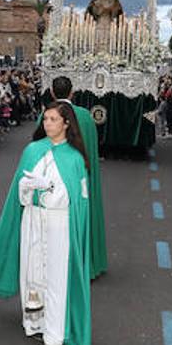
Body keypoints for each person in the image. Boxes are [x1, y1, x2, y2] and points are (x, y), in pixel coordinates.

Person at [0, 102, 92, 345]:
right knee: (32, 272)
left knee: (56, 278)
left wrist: (46, 191)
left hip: (59, 224)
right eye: (45, 119)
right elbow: (19, 192)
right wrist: (31, 189)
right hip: (32, 221)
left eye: (53, 119)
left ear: (66, 123)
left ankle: (53, 338)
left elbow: (76, 199)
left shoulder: (75, 159)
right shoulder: (33, 150)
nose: (48, 124)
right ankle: (35, 323)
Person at [46, 76, 108, 280]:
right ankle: (85, 263)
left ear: (53, 92)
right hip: (80, 178)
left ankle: (56, 265)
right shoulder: (85, 116)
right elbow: (92, 150)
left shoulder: (46, 117)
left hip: (54, 179)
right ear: (72, 92)